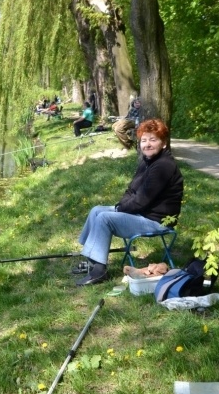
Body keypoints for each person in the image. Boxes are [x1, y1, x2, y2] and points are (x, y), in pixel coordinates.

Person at [73, 118, 184, 286]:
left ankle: (99, 270)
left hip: (156, 221)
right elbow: (131, 191)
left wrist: (120, 209)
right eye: (144, 140)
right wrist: (121, 205)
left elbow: (141, 200)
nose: (147, 144)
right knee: (97, 210)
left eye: (153, 140)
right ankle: (90, 259)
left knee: (105, 218)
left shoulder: (163, 166)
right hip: (142, 213)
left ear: (163, 143)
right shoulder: (147, 162)